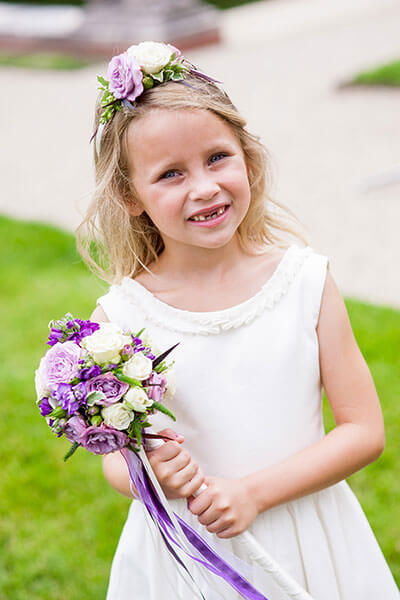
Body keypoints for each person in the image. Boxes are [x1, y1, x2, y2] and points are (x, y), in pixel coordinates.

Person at [77, 41, 399, 599]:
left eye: (217, 157)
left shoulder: (304, 283)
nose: (204, 187)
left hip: (305, 535)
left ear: (248, 157)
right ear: (131, 196)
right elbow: (117, 460)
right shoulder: (120, 317)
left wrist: (253, 493)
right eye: (171, 174)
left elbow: (364, 430)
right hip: (189, 554)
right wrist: (149, 474)